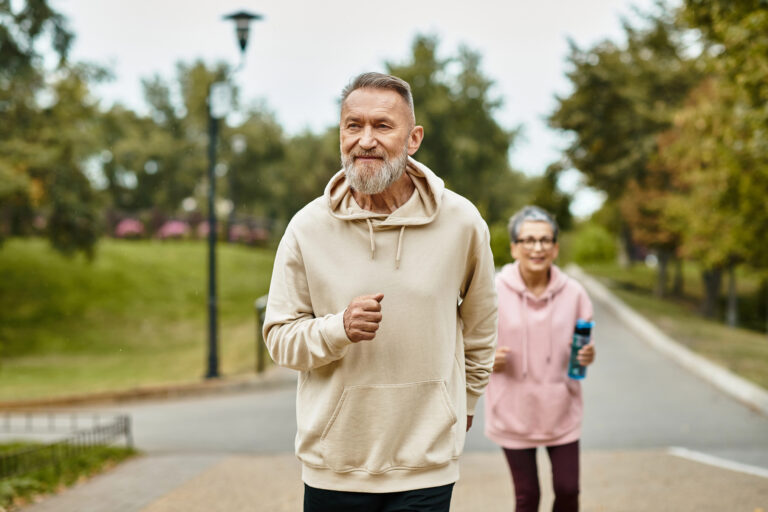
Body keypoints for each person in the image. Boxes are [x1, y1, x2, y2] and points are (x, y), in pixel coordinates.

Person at [262, 72, 498, 512]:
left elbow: (482, 325)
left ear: (413, 139)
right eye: (354, 125)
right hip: (334, 465)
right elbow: (279, 340)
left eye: (382, 126)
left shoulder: (462, 222)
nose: (365, 139)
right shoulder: (307, 228)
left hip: (425, 465)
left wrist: (465, 401)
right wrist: (338, 329)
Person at [484, 205, 595, 512]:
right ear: (514, 248)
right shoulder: (491, 291)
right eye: (529, 240)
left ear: (556, 248)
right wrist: (485, 359)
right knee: (527, 497)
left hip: (561, 410)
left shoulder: (574, 293)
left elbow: (584, 346)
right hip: (512, 411)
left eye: (545, 240)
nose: (537, 247)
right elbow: (468, 340)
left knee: (568, 490)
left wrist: (588, 354)